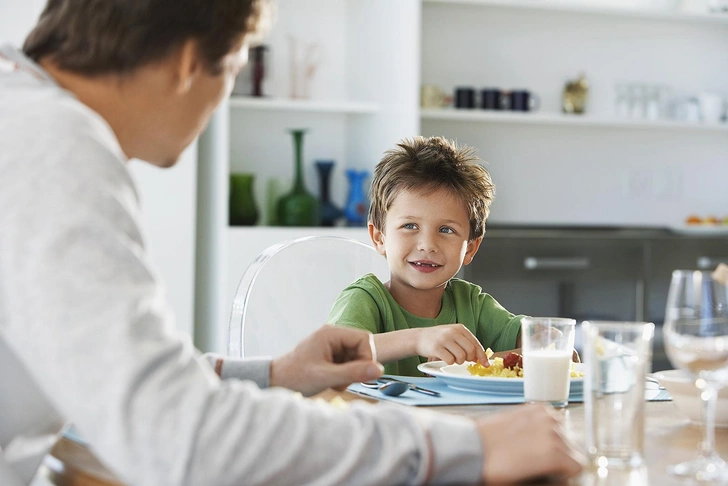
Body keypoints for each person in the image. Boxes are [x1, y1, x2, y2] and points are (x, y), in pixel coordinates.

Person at [0, 1, 584, 485]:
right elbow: (180, 435)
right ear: (186, 63)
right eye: (232, 69)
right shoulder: (57, 149)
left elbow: (119, 376)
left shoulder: (25, 117)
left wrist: (273, 373)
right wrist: (464, 448)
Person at [328, 136, 527, 376]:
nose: (427, 245)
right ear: (380, 238)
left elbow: (552, 343)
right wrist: (418, 339)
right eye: (410, 226)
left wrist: (482, 363)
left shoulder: (471, 304)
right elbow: (335, 357)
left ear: (471, 248)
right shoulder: (365, 298)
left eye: (446, 230)